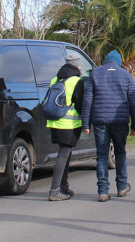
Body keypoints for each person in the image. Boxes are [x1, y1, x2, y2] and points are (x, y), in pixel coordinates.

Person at [81, 49, 135, 202]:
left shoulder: (95, 74)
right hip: (120, 121)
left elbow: (88, 101)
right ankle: (121, 186)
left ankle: (103, 191)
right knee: (120, 153)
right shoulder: (126, 75)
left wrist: (85, 123)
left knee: (101, 155)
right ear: (119, 62)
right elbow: (133, 102)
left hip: (99, 121)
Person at [47, 53, 86, 201]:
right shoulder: (76, 81)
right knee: (63, 155)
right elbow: (79, 104)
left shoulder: (55, 79)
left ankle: (64, 187)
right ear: (77, 65)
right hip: (69, 124)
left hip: (54, 122)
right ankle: (55, 190)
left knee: (65, 154)